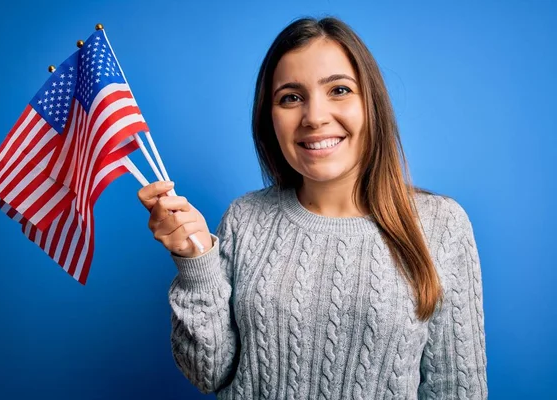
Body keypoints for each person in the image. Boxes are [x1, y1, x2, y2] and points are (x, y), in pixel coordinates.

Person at [138, 16, 488, 400]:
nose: (315, 117)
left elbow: (457, 389)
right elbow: (208, 373)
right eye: (290, 97)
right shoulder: (245, 218)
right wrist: (196, 262)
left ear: (371, 104)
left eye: (339, 90)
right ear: (269, 118)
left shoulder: (442, 225)